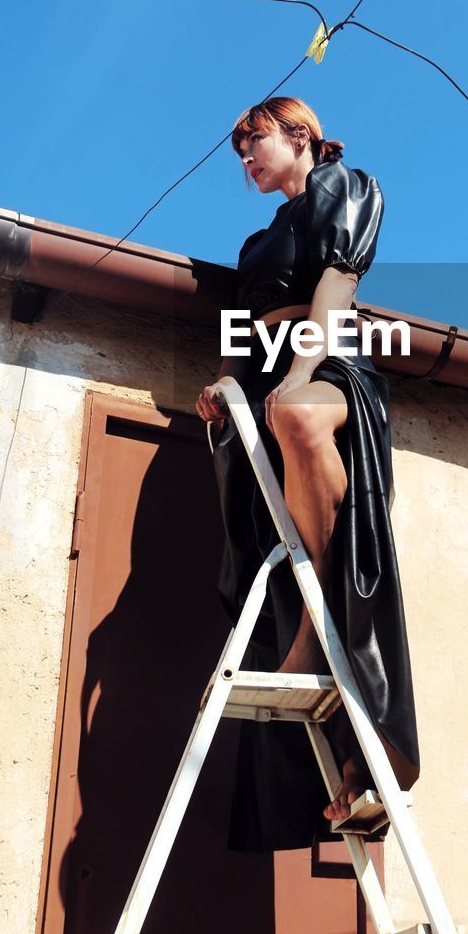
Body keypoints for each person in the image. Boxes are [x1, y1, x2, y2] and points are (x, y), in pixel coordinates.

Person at [195, 96, 420, 852]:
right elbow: (241, 323)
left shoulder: (346, 187)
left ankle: (325, 623)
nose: (246, 160)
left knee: (296, 417)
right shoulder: (257, 242)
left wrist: (297, 373)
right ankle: (345, 783)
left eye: (254, 142)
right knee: (257, 527)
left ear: (300, 136)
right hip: (259, 385)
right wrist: (223, 382)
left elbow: (334, 291)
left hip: (328, 369)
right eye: (239, 152)